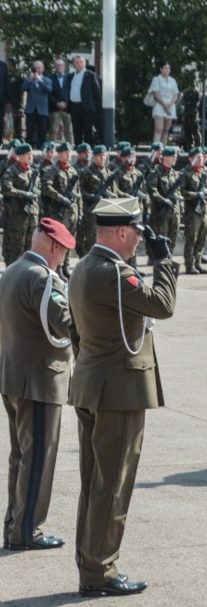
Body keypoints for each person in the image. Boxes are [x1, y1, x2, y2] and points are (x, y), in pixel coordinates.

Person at [68, 196, 177, 597]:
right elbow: (162, 305)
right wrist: (165, 263)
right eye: (136, 234)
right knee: (112, 484)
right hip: (118, 390)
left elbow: (74, 330)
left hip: (92, 383)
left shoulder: (82, 268)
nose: (138, 243)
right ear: (119, 232)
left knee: (94, 482)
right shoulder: (115, 273)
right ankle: (101, 571)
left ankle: (89, 561)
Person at [0, 218, 75, 552]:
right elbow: (66, 324)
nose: (63, 259)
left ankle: (14, 524)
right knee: (38, 459)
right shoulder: (43, 280)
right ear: (54, 247)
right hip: (40, 379)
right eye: (63, 252)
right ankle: (27, 531)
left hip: (12, 374)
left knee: (20, 456)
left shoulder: (12, 270)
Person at [41, 142, 81, 277]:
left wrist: (79, 212)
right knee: (59, 242)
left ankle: (65, 267)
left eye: (70, 152)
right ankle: (57, 268)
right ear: (59, 154)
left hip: (72, 212)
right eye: (66, 152)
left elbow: (78, 193)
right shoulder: (52, 170)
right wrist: (60, 198)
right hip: (59, 212)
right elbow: (46, 187)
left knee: (69, 240)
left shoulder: (73, 171)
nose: (69, 154)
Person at [1, 142, 40, 265]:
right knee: (15, 249)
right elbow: (6, 188)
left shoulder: (33, 172)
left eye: (31, 154)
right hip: (17, 216)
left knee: (30, 248)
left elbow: (39, 191)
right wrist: (24, 194)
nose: (30, 157)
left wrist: (35, 193)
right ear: (20, 156)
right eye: (28, 154)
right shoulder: (12, 170)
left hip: (32, 215)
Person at [77, 144, 119, 257]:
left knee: (107, 239)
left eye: (104, 155)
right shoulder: (86, 172)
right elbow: (80, 191)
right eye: (100, 156)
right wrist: (91, 196)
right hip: (92, 211)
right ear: (94, 157)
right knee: (92, 240)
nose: (102, 158)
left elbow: (114, 192)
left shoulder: (109, 173)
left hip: (107, 211)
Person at [179, 147, 207, 274]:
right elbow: (181, 191)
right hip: (193, 212)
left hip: (204, 210)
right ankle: (189, 265)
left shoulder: (205, 171)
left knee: (202, 238)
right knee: (191, 239)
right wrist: (195, 195)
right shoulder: (185, 173)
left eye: (202, 157)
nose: (201, 159)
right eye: (198, 157)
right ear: (190, 159)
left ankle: (198, 263)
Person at [145, 146, 183, 260]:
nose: (175, 159)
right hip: (162, 211)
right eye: (173, 157)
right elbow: (152, 191)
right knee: (162, 238)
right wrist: (163, 200)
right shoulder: (156, 172)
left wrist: (181, 207)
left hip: (174, 211)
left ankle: (169, 259)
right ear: (165, 157)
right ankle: (160, 261)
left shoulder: (174, 173)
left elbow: (178, 191)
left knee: (173, 237)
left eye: (176, 157)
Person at [66, 56, 100, 145]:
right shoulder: (70, 76)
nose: (79, 64)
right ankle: (78, 149)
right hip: (74, 107)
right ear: (73, 64)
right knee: (76, 130)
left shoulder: (91, 75)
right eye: (76, 62)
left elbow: (97, 93)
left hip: (86, 108)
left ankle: (87, 151)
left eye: (81, 62)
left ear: (85, 63)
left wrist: (95, 108)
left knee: (87, 131)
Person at [21, 60, 52, 149]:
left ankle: (41, 149)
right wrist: (29, 80)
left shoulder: (47, 80)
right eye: (35, 68)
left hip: (42, 109)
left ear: (42, 69)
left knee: (42, 131)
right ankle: (28, 149)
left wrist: (40, 80)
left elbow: (49, 90)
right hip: (31, 109)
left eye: (39, 68)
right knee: (30, 130)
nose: (37, 69)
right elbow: (22, 89)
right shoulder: (29, 79)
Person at [148, 62, 179, 145]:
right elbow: (156, 94)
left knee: (166, 129)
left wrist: (169, 105)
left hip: (170, 106)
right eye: (165, 68)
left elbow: (176, 94)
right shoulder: (156, 79)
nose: (167, 70)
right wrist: (165, 105)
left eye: (168, 68)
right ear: (161, 69)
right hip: (160, 105)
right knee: (159, 129)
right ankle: (155, 149)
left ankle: (163, 150)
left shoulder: (173, 80)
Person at [47, 58, 73, 144]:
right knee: (53, 129)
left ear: (64, 66)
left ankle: (70, 147)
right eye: (57, 65)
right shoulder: (50, 78)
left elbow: (71, 92)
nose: (59, 67)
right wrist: (57, 103)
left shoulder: (68, 78)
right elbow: (48, 94)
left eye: (61, 65)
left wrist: (66, 103)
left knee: (68, 130)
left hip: (66, 108)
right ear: (54, 67)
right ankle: (51, 147)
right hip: (54, 108)